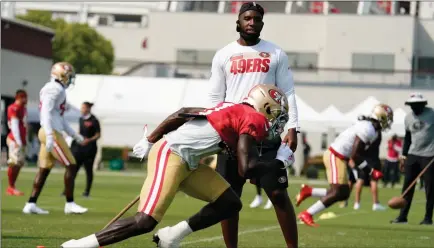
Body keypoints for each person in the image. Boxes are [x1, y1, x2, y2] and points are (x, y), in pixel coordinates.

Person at [60, 84, 295, 248]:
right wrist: (280, 161)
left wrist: (150, 138)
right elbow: (248, 169)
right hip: (172, 154)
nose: (277, 120)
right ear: (263, 106)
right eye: (276, 113)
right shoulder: (254, 119)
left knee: (230, 203)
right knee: (145, 221)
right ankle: (80, 245)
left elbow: (183, 112)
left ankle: (172, 236)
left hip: (188, 162)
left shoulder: (232, 108)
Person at [207, 2, 299, 247]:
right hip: (232, 135)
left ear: (262, 24)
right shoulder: (224, 54)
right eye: (247, 18)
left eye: (256, 19)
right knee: (228, 199)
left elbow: (287, 91)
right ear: (238, 22)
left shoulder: (276, 53)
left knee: (278, 194)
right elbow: (216, 98)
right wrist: (215, 130)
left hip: (266, 134)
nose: (251, 23)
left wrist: (293, 127)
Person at [296, 104, 392, 227]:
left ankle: (309, 191)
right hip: (335, 156)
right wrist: (370, 171)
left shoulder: (369, 128)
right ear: (381, 117)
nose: (388, 122)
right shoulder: (368, 129)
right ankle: (307, 213)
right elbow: (356, 155)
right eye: (387, 118)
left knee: (344, 193)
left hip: (338, 157)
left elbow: (356, 154)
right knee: (337, 192)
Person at [22, 62, 88, 215]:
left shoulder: (58, 89)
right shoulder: (53, 88)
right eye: (68, 76)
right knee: (71, 164)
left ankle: (31, 203)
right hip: (50, 131)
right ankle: (70, 204)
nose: (70, 80)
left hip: (50, 129)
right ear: (61, 75)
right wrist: (50, 135)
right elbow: (45, 110)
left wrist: (75, 135)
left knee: (44, 169)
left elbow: (59, 117)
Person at [391, 93, 434, 225]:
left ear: (423, 104)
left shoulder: (432, 114)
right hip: (413, 155)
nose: (414, 108)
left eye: (416, 105)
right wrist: (404, 156)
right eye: (411, 105)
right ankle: (402, 217)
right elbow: (408, 137)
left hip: (429, 155)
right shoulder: (408, 118)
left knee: (430, 188)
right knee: (407, 187)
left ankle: (427, 218)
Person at [64, 102, 101, 198]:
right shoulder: (80, 119)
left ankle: (87, 192)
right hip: (79, 148)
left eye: (84, 107)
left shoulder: (94, 120)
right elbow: (80, 132)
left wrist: (89, 140)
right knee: (73, 169)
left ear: (88, 108)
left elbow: (98, 134)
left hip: (90, 149)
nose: (82, 109)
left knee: (88, 171)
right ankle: (67, 190)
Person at [353, 130, 386, 211]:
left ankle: (357, 203)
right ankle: (375, 204)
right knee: (373, 181)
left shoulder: (364, 134)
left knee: (360, 180)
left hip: (363, 160)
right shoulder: (378, 134)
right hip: (373, 160)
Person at [6, 90, 28, 196]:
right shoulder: (13, 108)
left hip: (21, 140)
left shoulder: (23, 108)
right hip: (14, 140)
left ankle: (13, 186)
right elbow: (14, 126)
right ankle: (10, 187)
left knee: (19, 164)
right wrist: (18, 141)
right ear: (18, 97)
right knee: (14, 163)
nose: (26, 99)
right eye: (23, 97)